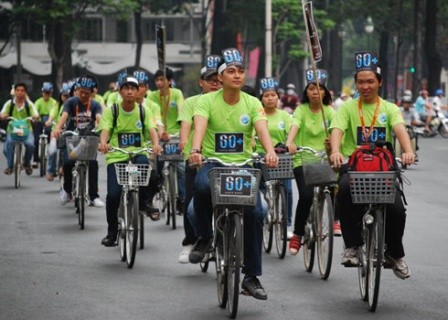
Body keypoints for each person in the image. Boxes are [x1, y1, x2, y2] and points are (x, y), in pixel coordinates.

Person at [188, 47, 278, 300]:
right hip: (214, 163)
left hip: (244, 166)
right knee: (202, 187)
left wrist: (270, 151)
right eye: (231, 71)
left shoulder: (253, 102)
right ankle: (205, 237)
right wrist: (195, 149)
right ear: (221, 76)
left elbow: (262, 129)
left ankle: (251, 277)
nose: (237, 75)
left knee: (257, 212)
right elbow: (200, 125)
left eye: (240, 71)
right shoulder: (207, 101)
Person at [329, 51, 415, 280]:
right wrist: (336, 151)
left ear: (379, 82)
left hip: (383, 170)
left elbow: (399, 130)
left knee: (397, 208)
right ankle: (353, 246)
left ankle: (395, 255)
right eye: (360, 82)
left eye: (370, 81)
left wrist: (407, 151)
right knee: (344, 193)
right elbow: (337, 130)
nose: (365, 86)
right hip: (354, 168)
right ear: (355, 83)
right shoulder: (347, 108)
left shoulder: (389, 108)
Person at [98, 75, 162, 246]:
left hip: (137, 153)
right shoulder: (112, 111)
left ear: (138, 91)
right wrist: (103, 143)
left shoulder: (143, 110)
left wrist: (156, 145)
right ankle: (112, 233)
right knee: (113, 195)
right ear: (120, 91)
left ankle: (144, 202)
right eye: (126, 88)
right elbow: (105, 129)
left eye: (133, 88)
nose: (129, 91)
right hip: (117, 156)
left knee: (149, 172)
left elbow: (152, 129)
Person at [285, 69, 337, 255]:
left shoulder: (330, 112)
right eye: (311, 88)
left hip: (324, 159)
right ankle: (298, 234)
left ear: (325, 92)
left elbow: (336, 130)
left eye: (320, 88)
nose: (315, 92)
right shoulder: (301, 110)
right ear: (306, 92)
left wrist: (333, 144)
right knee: (306, 197)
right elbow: (295, 125)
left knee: (335, 188)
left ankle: (334, 220)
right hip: (303, 159)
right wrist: (290, 142)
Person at [177, 54, 223, 263]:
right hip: (197, 159)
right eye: (210, 80)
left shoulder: (230, 100)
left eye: (217, 80)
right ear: (201, 82)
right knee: (192, 202)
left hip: (223, 159)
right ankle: (191, 241)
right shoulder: (192, 103)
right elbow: (186, 125)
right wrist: (186, 144)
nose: (215, 84)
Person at [53, 75, 105, 207]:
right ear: (76, 90)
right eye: (81, 92)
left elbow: (99, 118)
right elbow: (64, 116)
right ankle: (67, 191)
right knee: (68, 163)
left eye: (86, 93)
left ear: (92, 93)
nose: (83, 95)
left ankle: (93, 196)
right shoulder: (71, 102)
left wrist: (103, 130)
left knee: (93, 163)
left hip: (88, 139)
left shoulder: (95, 105)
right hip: (72, 138)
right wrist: (58, 128)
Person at [254, 77, 294, 234]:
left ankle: (287, 223)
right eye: (266, 95)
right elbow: (251, 135)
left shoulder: (284, 116)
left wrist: (291, 143)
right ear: (261, 99)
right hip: (260, 156)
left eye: (273, 95)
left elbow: (292, 132)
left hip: (280, 158)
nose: (270, 98)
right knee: (259, 188)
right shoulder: (257, 114)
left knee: (288, 190)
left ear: (278, 97)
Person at [147, 67, 186, 213]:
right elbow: (152, 117)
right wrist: (160, 133)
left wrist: (183, 135)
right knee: (156, 167)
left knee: (181, 168)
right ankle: (158, 190)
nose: (159, 83)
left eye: (162, 79)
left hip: (175, 136)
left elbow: (182, 113)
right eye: (157, 80)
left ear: (170, 81)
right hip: (159, 136)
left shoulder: (177, 94)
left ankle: (182, 198)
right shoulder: (151, 96)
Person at [1, 82, 39, 175]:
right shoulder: (9, 103)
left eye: (22, 90)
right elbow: (2, 114)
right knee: (7, 148)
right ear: (14, 91)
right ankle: (10, 167)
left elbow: (36, 114)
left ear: (25, 92)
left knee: (30, 145)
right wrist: (3, 116)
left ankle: (26, 163)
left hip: (26, 130)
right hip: (12, 130)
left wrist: (35, 117)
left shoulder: (28, 104)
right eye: (17, 90)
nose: (20, 92)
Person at [45, 82, 71, 181]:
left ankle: (64, 168)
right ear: (60, 95)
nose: (66, 97)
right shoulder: (57, 106)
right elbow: (51, 116)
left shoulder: (74, 105)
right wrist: (49, 121)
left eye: (68, 95)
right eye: (64, 95)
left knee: (69, 154)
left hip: (69, 135)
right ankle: (51, 171)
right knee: (52, 151)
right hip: (56, 134)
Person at [32, 82, 58, 169]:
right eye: (45, 92)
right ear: (42, 92)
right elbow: (34, 111)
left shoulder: (54, 102)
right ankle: (35, 160)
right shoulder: (38, 101)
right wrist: (35, 116)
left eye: (48, 92)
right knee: (35, 140)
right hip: (39, 122)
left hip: (49, 123)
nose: (46, 94)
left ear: (51, 93)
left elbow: (54, 113)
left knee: (52, 142)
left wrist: (50, 120)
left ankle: (51, 160)